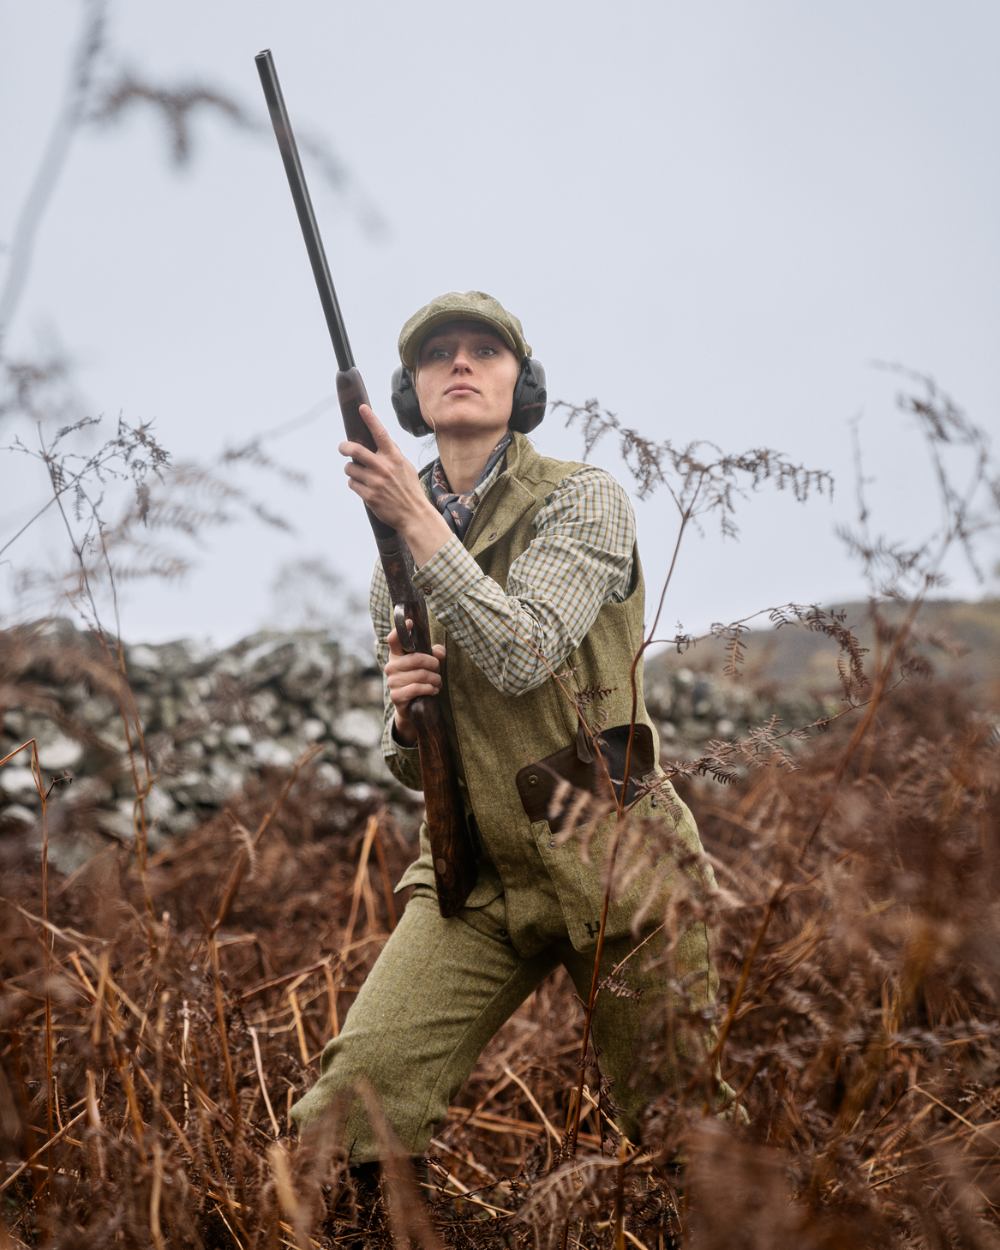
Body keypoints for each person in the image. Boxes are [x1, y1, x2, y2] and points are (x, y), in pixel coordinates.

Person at [290, 291, 722, 1163]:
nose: (460, 363)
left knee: (687, 1136)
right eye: (437, 352)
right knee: (345, 1118)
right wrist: (407, 718)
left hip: (616, 857)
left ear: (520, 382)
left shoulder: (584, 500)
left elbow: (527, 651)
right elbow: (409, 762)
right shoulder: (393, 568)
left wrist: (412, 517)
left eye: (484, 351)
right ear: (410, 392)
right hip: (477, 873)